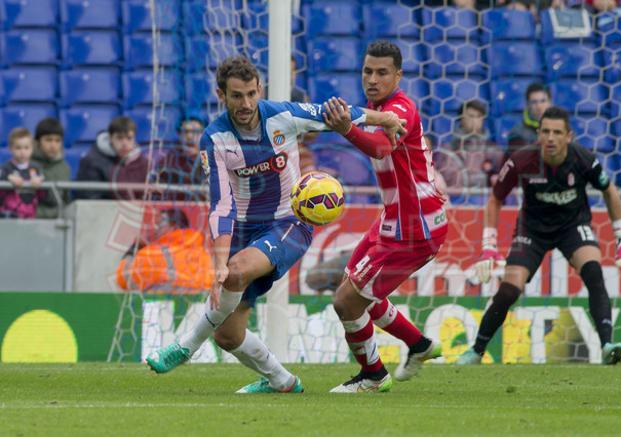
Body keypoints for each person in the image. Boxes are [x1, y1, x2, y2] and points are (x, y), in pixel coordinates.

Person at [145, 55, 407, 394]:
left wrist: (384, 117)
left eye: (252, 94)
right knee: (228, 334)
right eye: (237, 96)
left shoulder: (283, 115)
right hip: (241, 229)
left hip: (288, 222)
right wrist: (218, 262)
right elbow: (221, 204)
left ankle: (186, 346)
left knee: (237, 270)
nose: (246, 103)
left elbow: (338, 113)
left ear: (260, 89)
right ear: (221, 94)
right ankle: (283, 381)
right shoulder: (215, 139)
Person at [458, 107, 621, 365]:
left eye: (557, 132)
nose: (550, 138)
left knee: (594, 273)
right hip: (532, 229)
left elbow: (610, 191)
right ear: (538, 134)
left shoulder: (583, 158)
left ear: (569, 136)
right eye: (545, 132)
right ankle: (476, 351)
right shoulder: (522, 160)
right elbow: (495, 199)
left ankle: (608, 345)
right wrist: (488, 245)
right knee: (509, 290)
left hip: (572, 227)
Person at [322, 40, 449, 393]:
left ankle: (373, 376)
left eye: (382, 72)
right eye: (367, 71)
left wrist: (345, 129)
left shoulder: (401, 109)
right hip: (395, 219)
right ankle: (420, 345)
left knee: (346, 301)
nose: (372, 79)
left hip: (416, 229)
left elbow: (381, 147)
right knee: (355, 287)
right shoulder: (375, 108)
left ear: (398, 75)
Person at [116, 208, 213, 293]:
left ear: (173, 226)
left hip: (162, 309)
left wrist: (134, 248)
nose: (156, 230)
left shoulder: (153, 254)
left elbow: (123, 279)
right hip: (197, 310)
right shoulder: (205, 256)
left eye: (159, 224)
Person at [449, 99, 502, 189]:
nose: (475, 120)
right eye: (471, 116)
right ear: (461, 118)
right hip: (460, 199)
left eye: (479, 116)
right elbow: (452, 180)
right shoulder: (450, 149)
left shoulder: (492, 149)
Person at [151, 117, 206, 201]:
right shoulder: (169, 160)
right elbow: (154, 184)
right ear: (180, 135)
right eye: (186, 132)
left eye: (196, 132)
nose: (190, 137)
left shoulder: (211, 159)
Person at [0, 127, 45, 218]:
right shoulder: (6, 168)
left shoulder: (36, 168)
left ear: (32, 148)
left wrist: (39, 181)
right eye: (18, 148)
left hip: (31, 215)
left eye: (26, 148)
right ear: (10, 148)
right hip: (9, 215)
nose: (22, 152)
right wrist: (8, 178)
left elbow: (44, 192)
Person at [32, 117, 71, 218]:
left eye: (57, 140)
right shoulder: (26, 164)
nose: (53, 145)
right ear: (37, 142)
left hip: (58, 224)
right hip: (29, 222)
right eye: (48, 140)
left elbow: (66, 201)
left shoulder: (65, 167)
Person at [506, 83, 552, 158]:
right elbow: (519, 163)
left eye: (543, 101)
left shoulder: (563, 129)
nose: (539, 106)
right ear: (527, 104)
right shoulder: (517, 133)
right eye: (534, 102)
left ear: (550, 103)